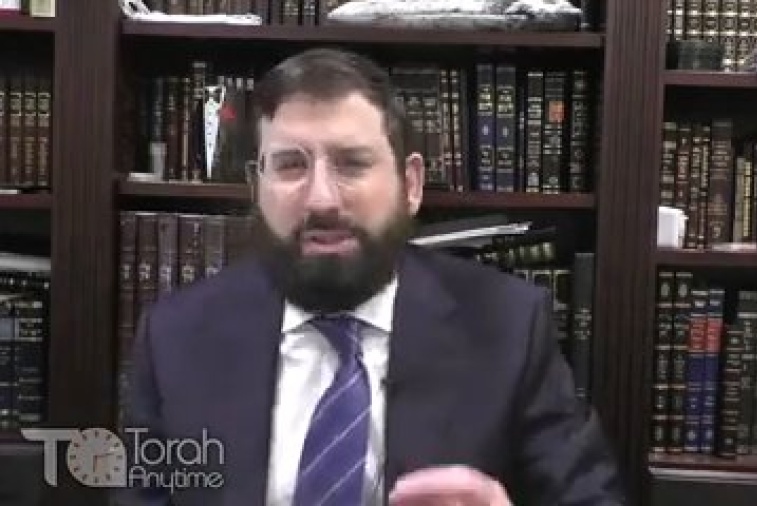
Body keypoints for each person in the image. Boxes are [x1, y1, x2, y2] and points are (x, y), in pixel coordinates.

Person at [117, 47, 625, 506]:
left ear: (411, 184)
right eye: (291, 165)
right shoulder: (175, 336)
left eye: (352, 164)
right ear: (257, 186)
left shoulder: (508, 327)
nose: (321, 199)